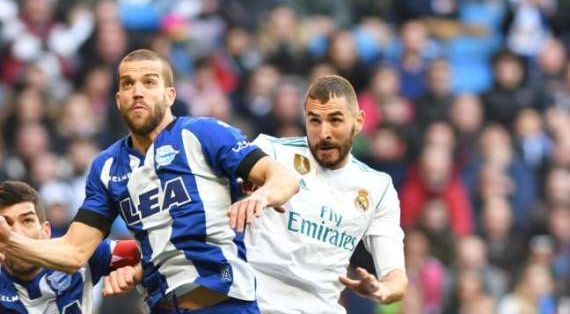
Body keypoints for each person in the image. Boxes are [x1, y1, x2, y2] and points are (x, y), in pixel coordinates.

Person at [0, 49, 300, 314]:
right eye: (127, 84)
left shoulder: (203, 134)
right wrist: (10, 241)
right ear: (118, 100)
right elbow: (73, 253)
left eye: (149, 82)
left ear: (170, 95)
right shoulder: (105, 167)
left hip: (226, 303)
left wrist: (261, 196)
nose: (137, 91)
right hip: (161, 306)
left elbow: (283, 177)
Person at [105, 75, 408, 313]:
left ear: (359, 121)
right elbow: (199, 218)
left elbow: (396, 276)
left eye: (335, 120)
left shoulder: (378, 188)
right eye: (315, 120)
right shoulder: (270, 153)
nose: (324, 132)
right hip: (252, 303)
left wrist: (383, 291)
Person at [0, 180, 141, 313]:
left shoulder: (82, 253)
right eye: (6, 224)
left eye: (27, 221)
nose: (17, 233)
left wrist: (134, 272)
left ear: (46, 231)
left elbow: (149, 251)